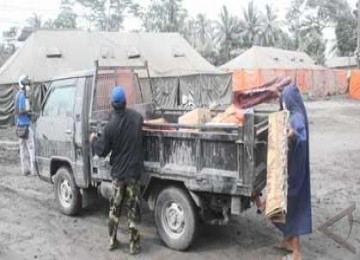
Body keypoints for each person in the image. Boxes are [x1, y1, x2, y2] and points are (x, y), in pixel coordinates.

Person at [90, 86, 144, 255]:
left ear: (112, 104)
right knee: (133, 211)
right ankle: (133, 245)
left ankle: (112, 241)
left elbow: (102, 151)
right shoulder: (137, 118)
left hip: (119, 176)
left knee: (114, 211)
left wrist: (93, 139)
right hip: (133, 174)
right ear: (126, 101)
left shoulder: (110, 127)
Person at [274, 84, 312, 260]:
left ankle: (296, 253)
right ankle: (287, 241)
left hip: (295, 172)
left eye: (284, 101)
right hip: (296, 166)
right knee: (284, 206)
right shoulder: (298, 113)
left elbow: (299, 135)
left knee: (291, 208)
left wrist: (292, 134)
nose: (283, 104)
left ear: (289, 100)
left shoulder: (297, 117)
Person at [15, 75, 35, 176]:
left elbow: (16, 111)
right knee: (31, 148)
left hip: (19, 125)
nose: (28, 85)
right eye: (27, 84)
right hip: (25, 125)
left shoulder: (17, 94)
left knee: (23, 149)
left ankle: (25, 170)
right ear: (22, 85)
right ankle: (33, 170)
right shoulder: (23, 95)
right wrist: (29, 112)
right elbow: (22, 110)